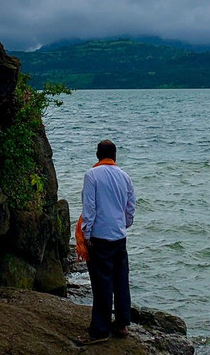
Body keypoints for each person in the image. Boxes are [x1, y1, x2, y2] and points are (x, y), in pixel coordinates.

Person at [78, 139, 136, 344]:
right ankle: (122, 324)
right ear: (115, 155)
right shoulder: (125, 177)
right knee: (121, 281)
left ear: (97, 155)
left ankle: (100, 330)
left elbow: (89, 209)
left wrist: (86, 235)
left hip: (100, 237)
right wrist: (123, 225)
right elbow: (130, 208)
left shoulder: (91, 175)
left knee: (102, 283)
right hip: (119, 236)